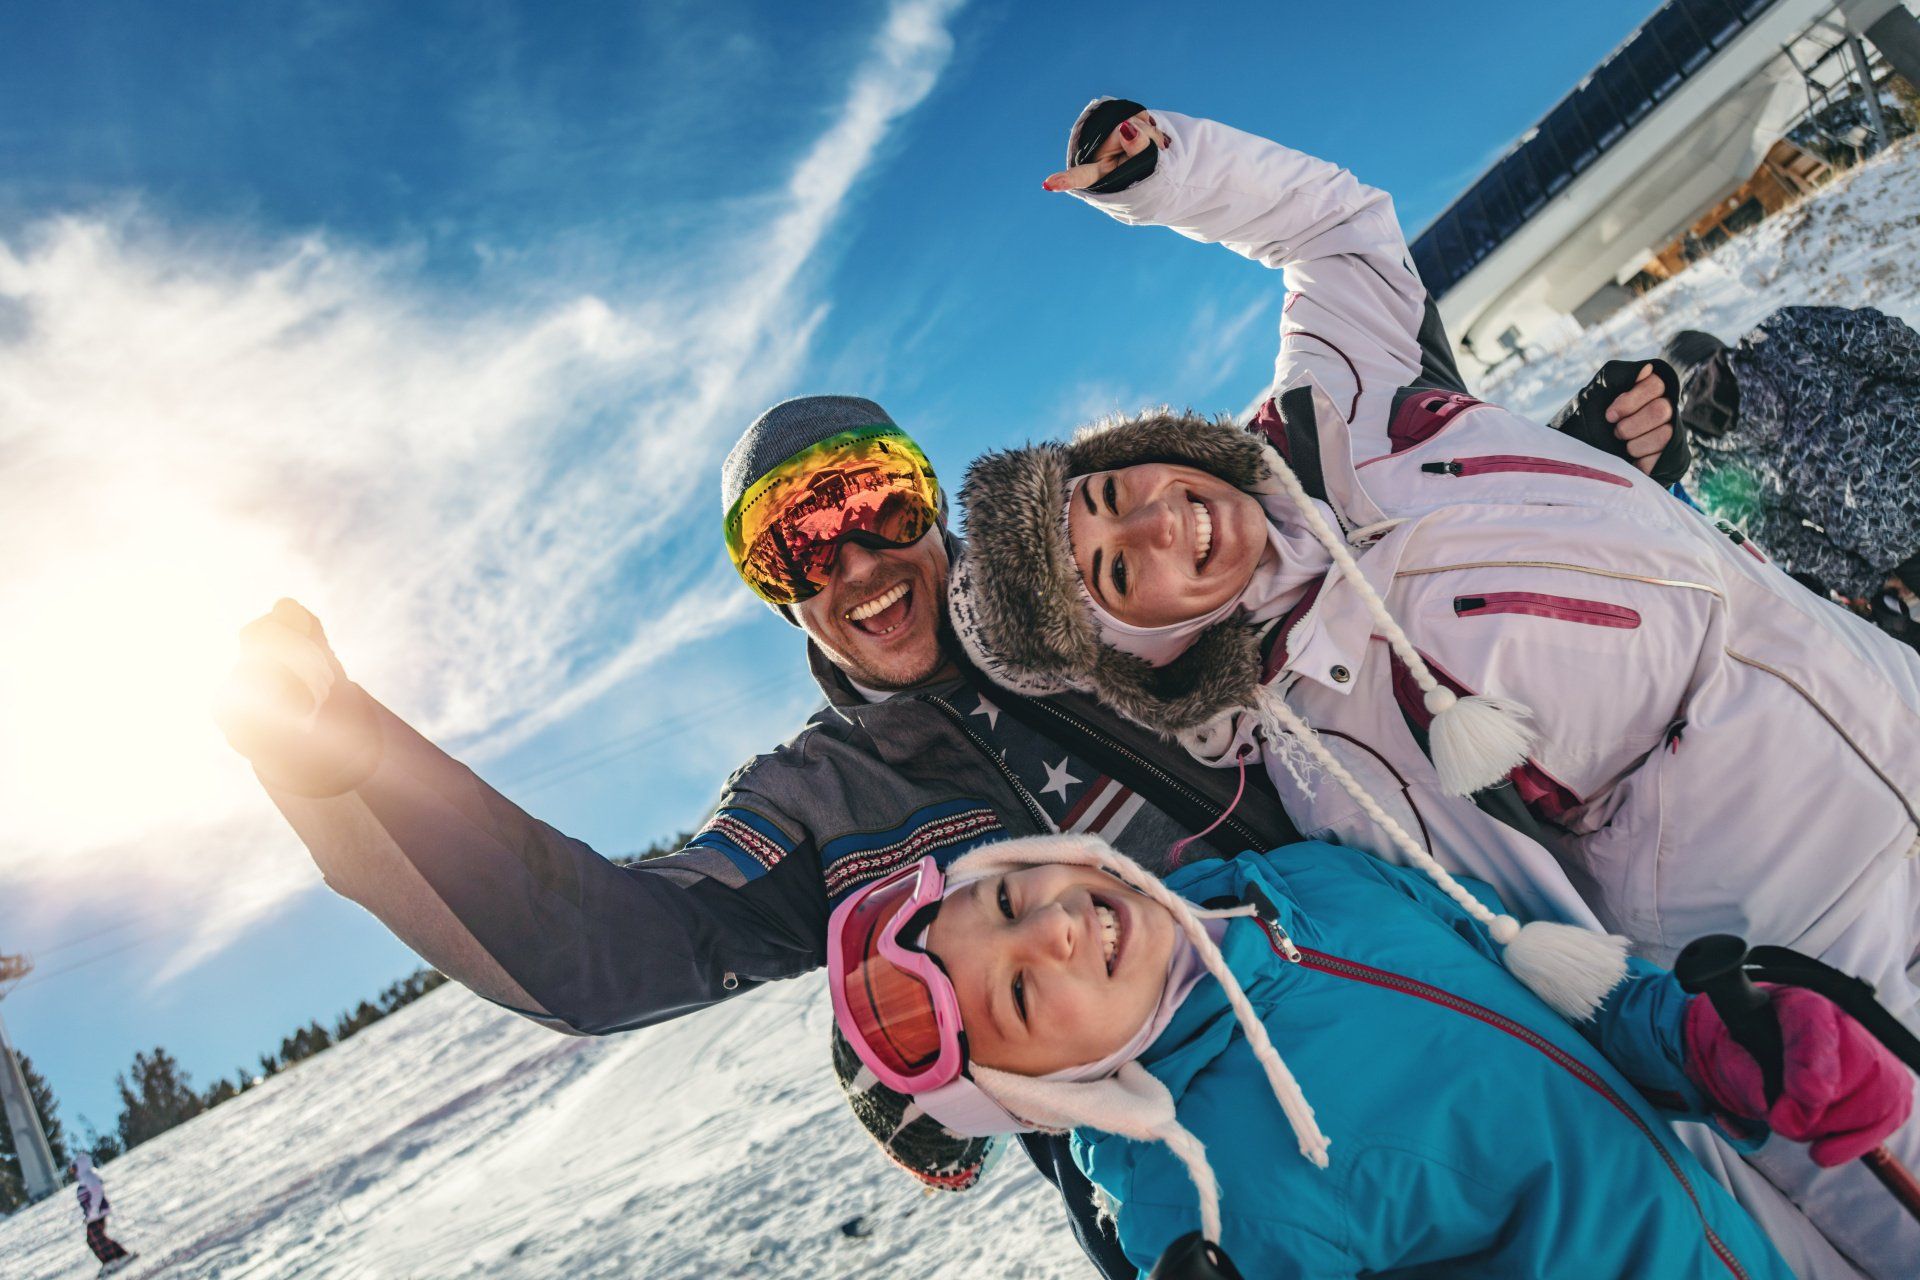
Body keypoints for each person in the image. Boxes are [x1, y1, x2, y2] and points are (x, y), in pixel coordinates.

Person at [214, 151, 1681, 1280]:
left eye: (873, 503)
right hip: (1231, 1198)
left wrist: (1558, 468)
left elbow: (1320, 568)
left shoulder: (1086, 596)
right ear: (777, 594)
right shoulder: (820, 804)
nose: (853, 561)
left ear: (928, 500)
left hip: (1459, 1030)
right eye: (799, 544)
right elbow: (605, 953)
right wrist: (335, 752)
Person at [950, 98, 1920, 1276]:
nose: (1159, 521)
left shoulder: (1333, 415)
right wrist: (1736, 1052)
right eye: (1116, 571)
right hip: (1821, 951)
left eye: (1107, 492)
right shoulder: (1324, 746)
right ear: (1137, 646)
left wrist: (1165, 170)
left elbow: (1343, 227)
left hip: (1887, 692)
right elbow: (1542, 942)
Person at [829, 832, 1912, 1278]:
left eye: (1011, 895)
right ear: (1040, 1090)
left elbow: (1558, 991)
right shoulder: (1190, 1208)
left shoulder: (1307, 877)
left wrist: (1703, 1039)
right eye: (1021, 990)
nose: (1054, 925)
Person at [1664, 308, 1920, 623]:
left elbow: (1781, 539)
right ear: (1718, 347)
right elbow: (1884, 339)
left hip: (1896, 539)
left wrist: (1868, 583)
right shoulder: (1780, 334)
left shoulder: (1703, 465)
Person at [72, 1154, 133, 1274]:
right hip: (93, 1215)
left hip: (98, 1213)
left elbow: (97, 1192)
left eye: (74, 1168)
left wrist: (94, 1210)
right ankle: (109, 1260)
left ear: (80, 1166)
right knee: (92, 1239)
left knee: (97, 1237)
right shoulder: (84, 1178)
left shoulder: (88, 1176)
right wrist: (88, 1215)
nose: (73, 1172)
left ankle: (119, 1256)